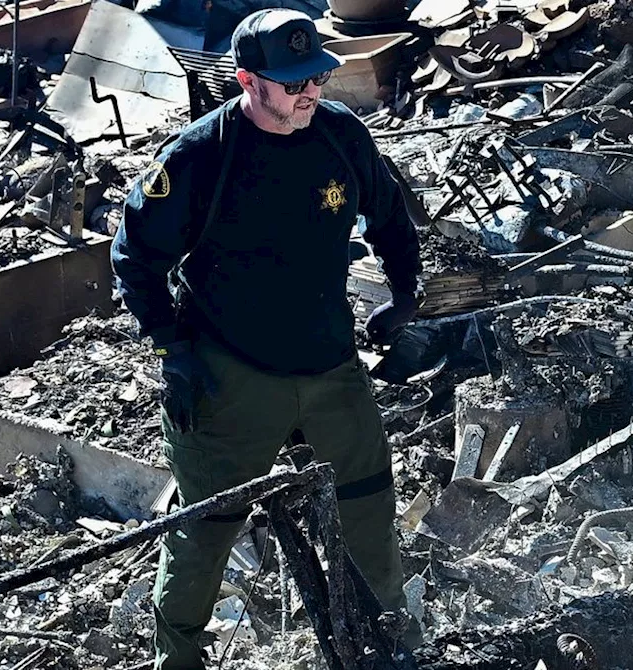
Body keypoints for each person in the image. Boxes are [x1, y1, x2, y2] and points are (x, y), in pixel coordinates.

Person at [110, 8, 422, 669]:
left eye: (315, 77)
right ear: (248, 80)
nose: (309, 91)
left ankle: (389, 643)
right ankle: (179, 660)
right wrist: (173, 351)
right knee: (207, 529)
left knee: (367, 502)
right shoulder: (200, 157)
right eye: (292, 82)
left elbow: (392, 216)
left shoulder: (340, 136)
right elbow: (133, 257)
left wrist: (404, 295)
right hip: (231, 370)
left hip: (331, 362)